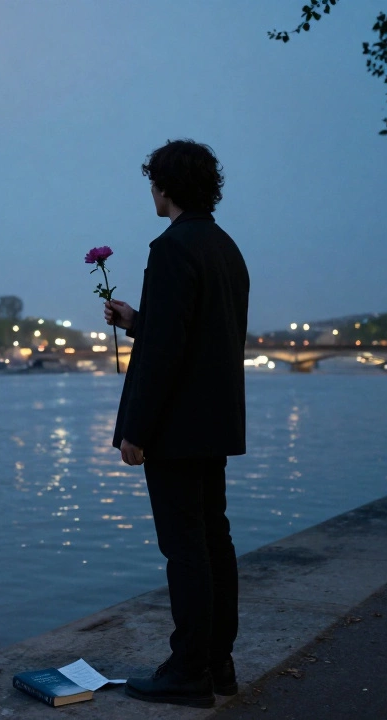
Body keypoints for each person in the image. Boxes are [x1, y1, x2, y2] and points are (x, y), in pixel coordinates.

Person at [103, 139, 249, 708]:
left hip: (175, 428)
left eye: (153, 183)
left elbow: (166, 352)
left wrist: (136, 429)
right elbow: (197, 332)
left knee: (183, 549)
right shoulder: (226, 248)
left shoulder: (169, 249)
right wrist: (139, 320)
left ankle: (187, 669)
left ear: (164, 187)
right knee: (215, 540)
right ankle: (218, 663)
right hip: (214, 423)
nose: (151, 192)